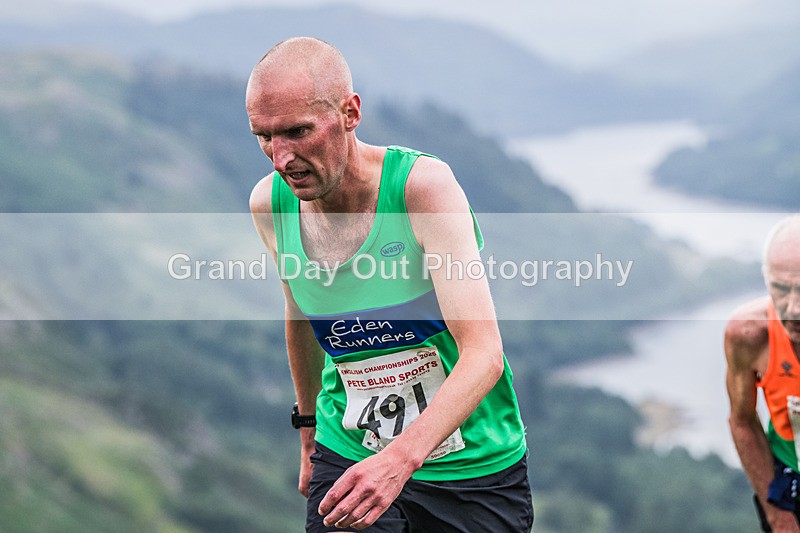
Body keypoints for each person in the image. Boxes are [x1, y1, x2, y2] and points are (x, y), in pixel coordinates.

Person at [246, 37, 532, 532]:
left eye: (297, 132)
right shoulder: (270, 204)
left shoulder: (423, 189)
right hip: (353, 453)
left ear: (350, 113)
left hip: (472, 468)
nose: (280, 158)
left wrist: (400, 460)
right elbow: (301, 318)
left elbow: (483, 354)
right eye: (264, 137)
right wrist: (309, 431)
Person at [726, 215, 800, 532]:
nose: (793, 308)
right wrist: (778, 517)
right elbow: (742, 420)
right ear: (766, 279)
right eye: (781, 289)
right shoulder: (749, 334)